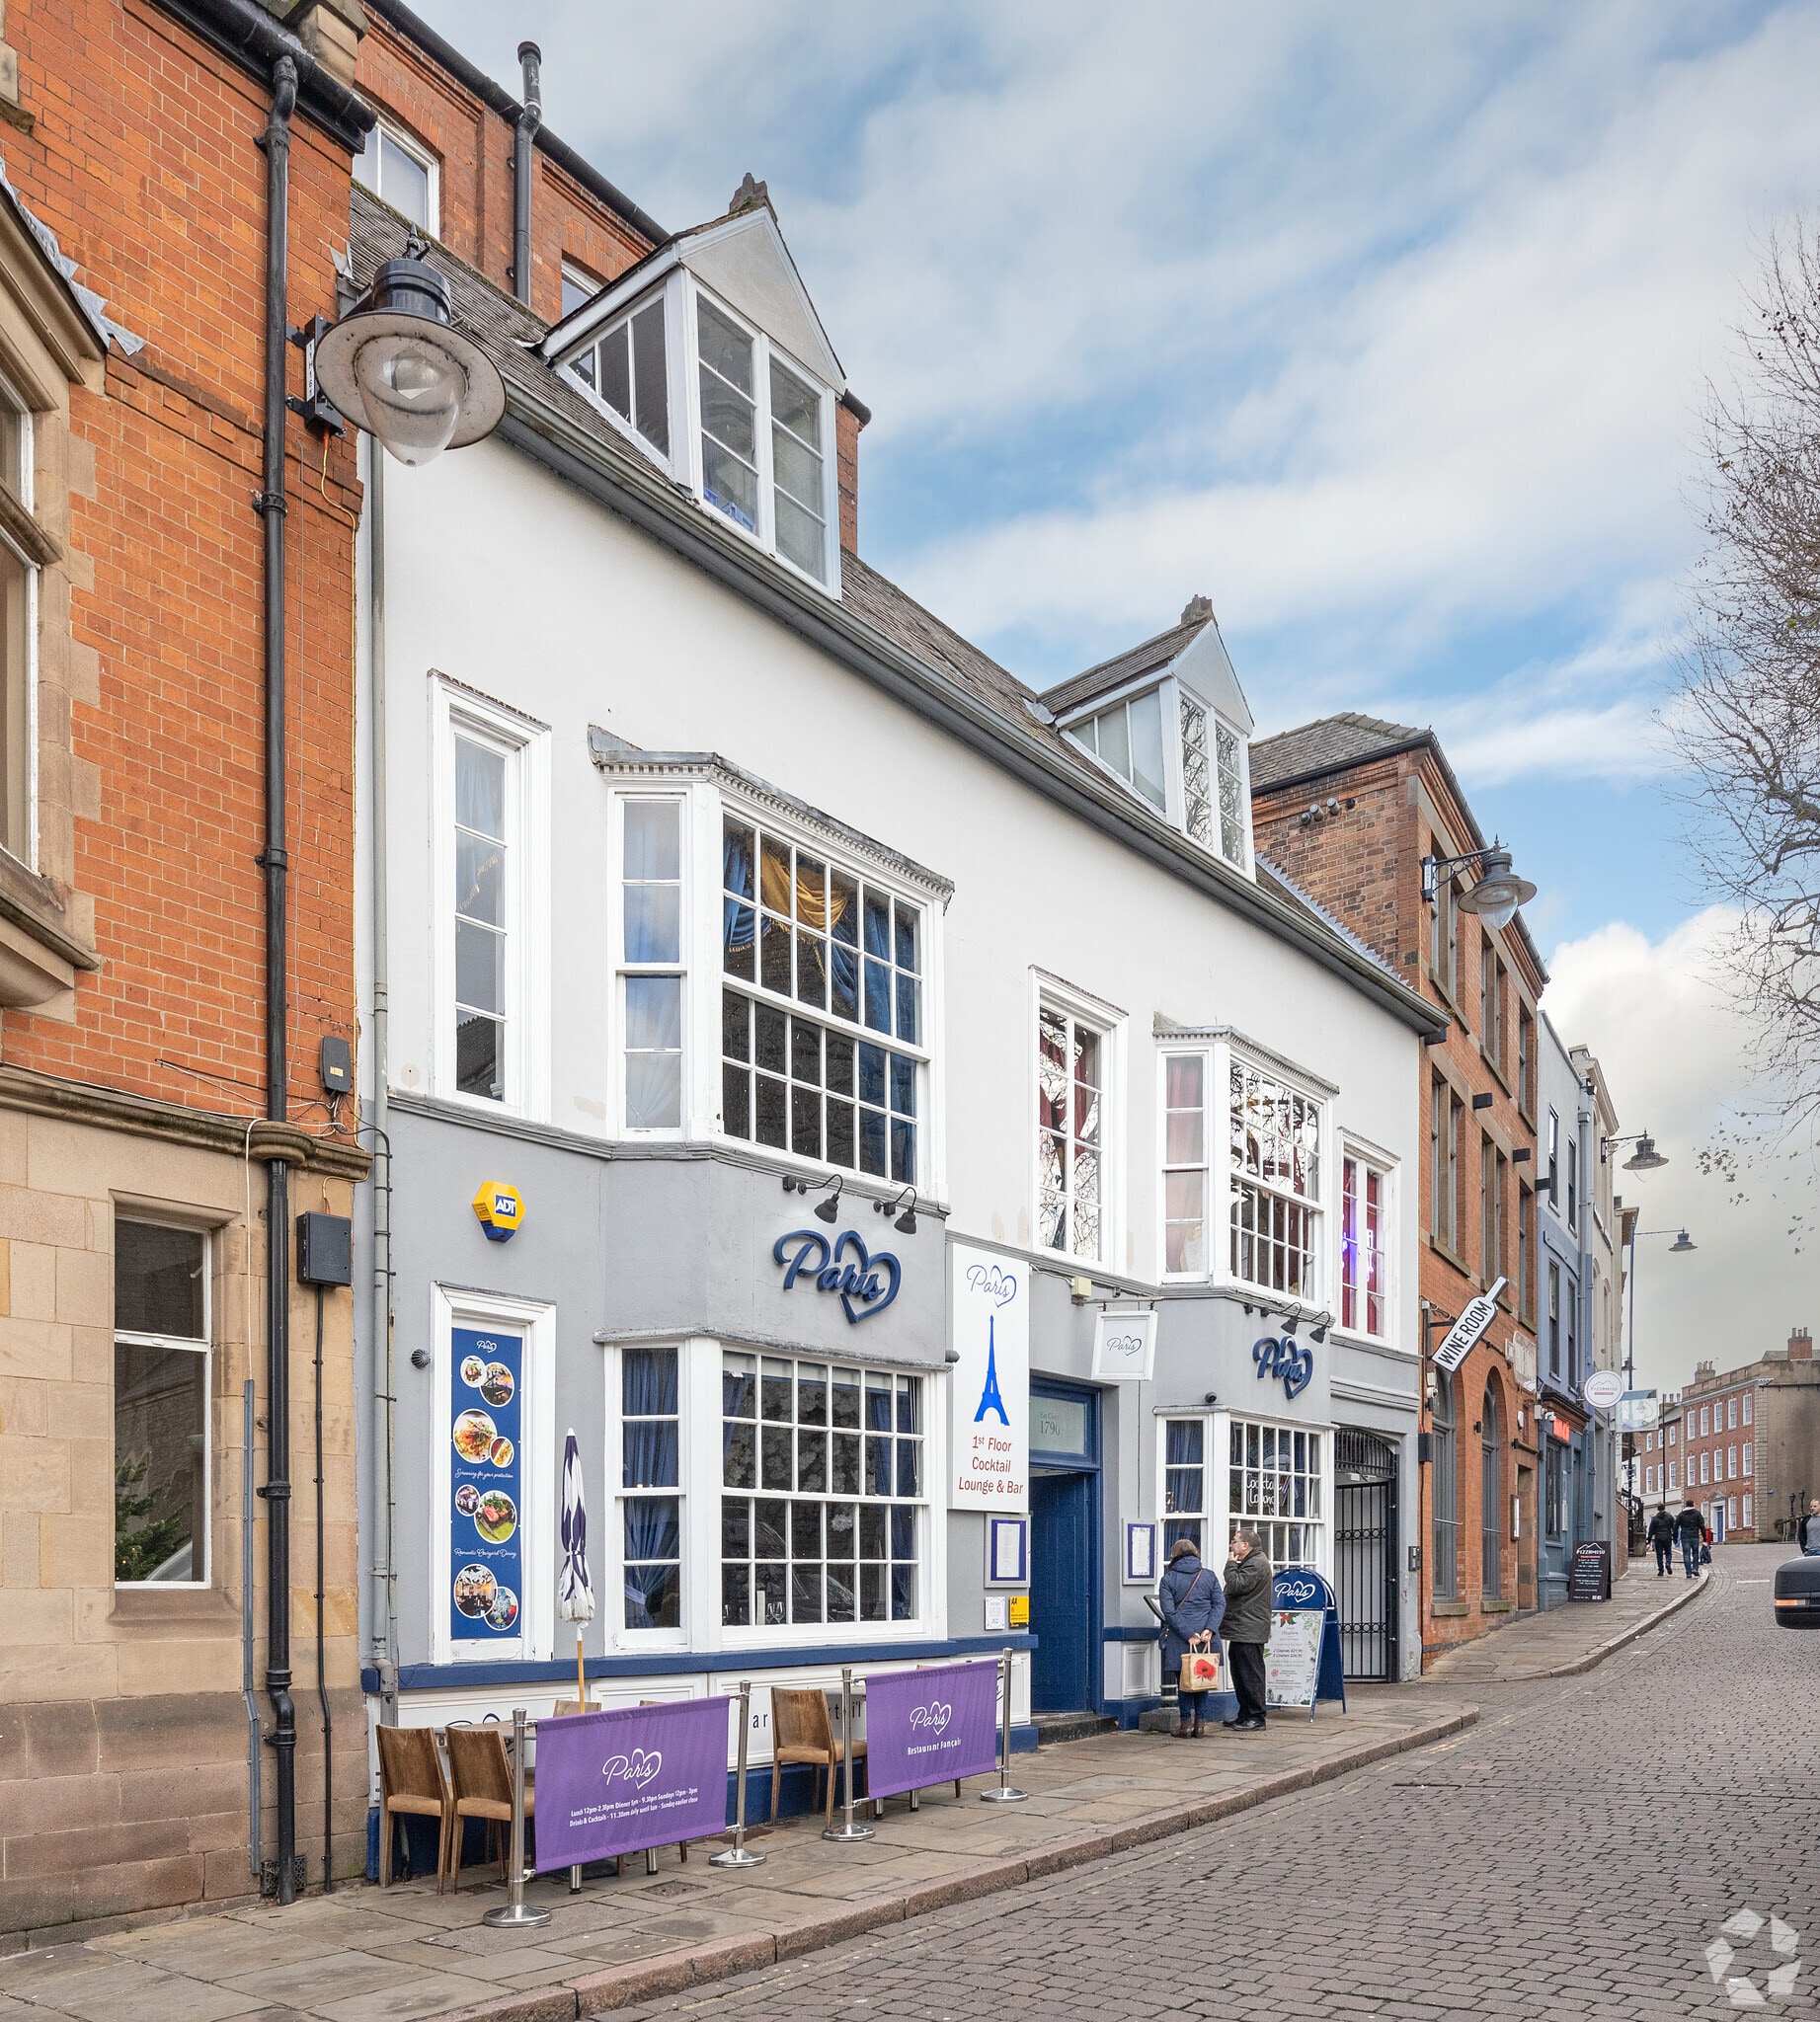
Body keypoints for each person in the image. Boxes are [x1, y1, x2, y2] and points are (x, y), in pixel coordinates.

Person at [1158, 1535, 1225, 1738]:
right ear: (1196, 1554)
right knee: (1203, 1681)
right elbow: (1219, 1604)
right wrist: (1210, 1629)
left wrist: (1188, 1634)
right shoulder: (1209, 1576)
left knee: (1184, 1682)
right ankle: (1200, 1726)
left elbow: (1169, 1611)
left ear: (1174, 1555)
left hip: (1181, 1637)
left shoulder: (1168, 1579)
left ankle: (1185, 1725)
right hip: (1206, 1638)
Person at [1220, 1529, 1274, 1733]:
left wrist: (1230, 1564)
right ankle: (1245, 1715)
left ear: (1246, 1545)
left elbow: (1235, 1585)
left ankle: (1256, 1717)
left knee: (1251, 1674)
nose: (1231, 1545)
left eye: (1234, 1541)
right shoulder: (1252, 1562)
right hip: (1243, 1627)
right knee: (1240, 1673)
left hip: (1249, 1629)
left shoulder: (1256, 1563)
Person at [1675, 1499, 1709, 1578]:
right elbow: (1702, 1526)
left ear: (1686, 1505)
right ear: (1693, 1504)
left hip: (1685, 1536)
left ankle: (1688, 1572)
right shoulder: (1697, 1514)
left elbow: (1675, 1526)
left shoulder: (1681, 1515)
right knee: (1695, 1553)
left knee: (1686, 1554)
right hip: (1694, 1536)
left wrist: (1675, 1537)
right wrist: (1704, 1538)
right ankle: (1695, 1568)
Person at [1647, 1505, 1677, 1577]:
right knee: (1668, 1552)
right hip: (1667, 1536)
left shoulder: (1655, 1518)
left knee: (1659, 1554)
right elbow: (1674, 1528)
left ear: (1657, 1509)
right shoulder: (1670, 1517)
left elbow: (1651, 1530)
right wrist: (1675, 1537)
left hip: (1658, 1537)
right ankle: (1668, 1563)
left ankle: (1661, 1570)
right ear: (1664, 1508)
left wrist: (1649, 1539)